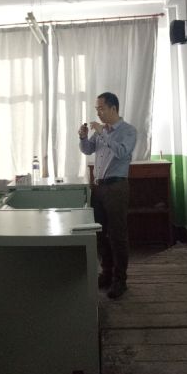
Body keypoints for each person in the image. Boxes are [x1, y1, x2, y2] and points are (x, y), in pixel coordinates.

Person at [79, 91, 137, 299]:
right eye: (97, 109)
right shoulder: (101, 132)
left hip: (116, 187)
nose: (98, 113)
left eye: (101, 109)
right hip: (99, 187)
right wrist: (83, 137)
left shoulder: (128, 131)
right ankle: (107, 273)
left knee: (117, 235)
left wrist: (102, 132)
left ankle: (120, 281)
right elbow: (88, 150)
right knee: (100, 233)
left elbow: (121, 152)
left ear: (114, 108)